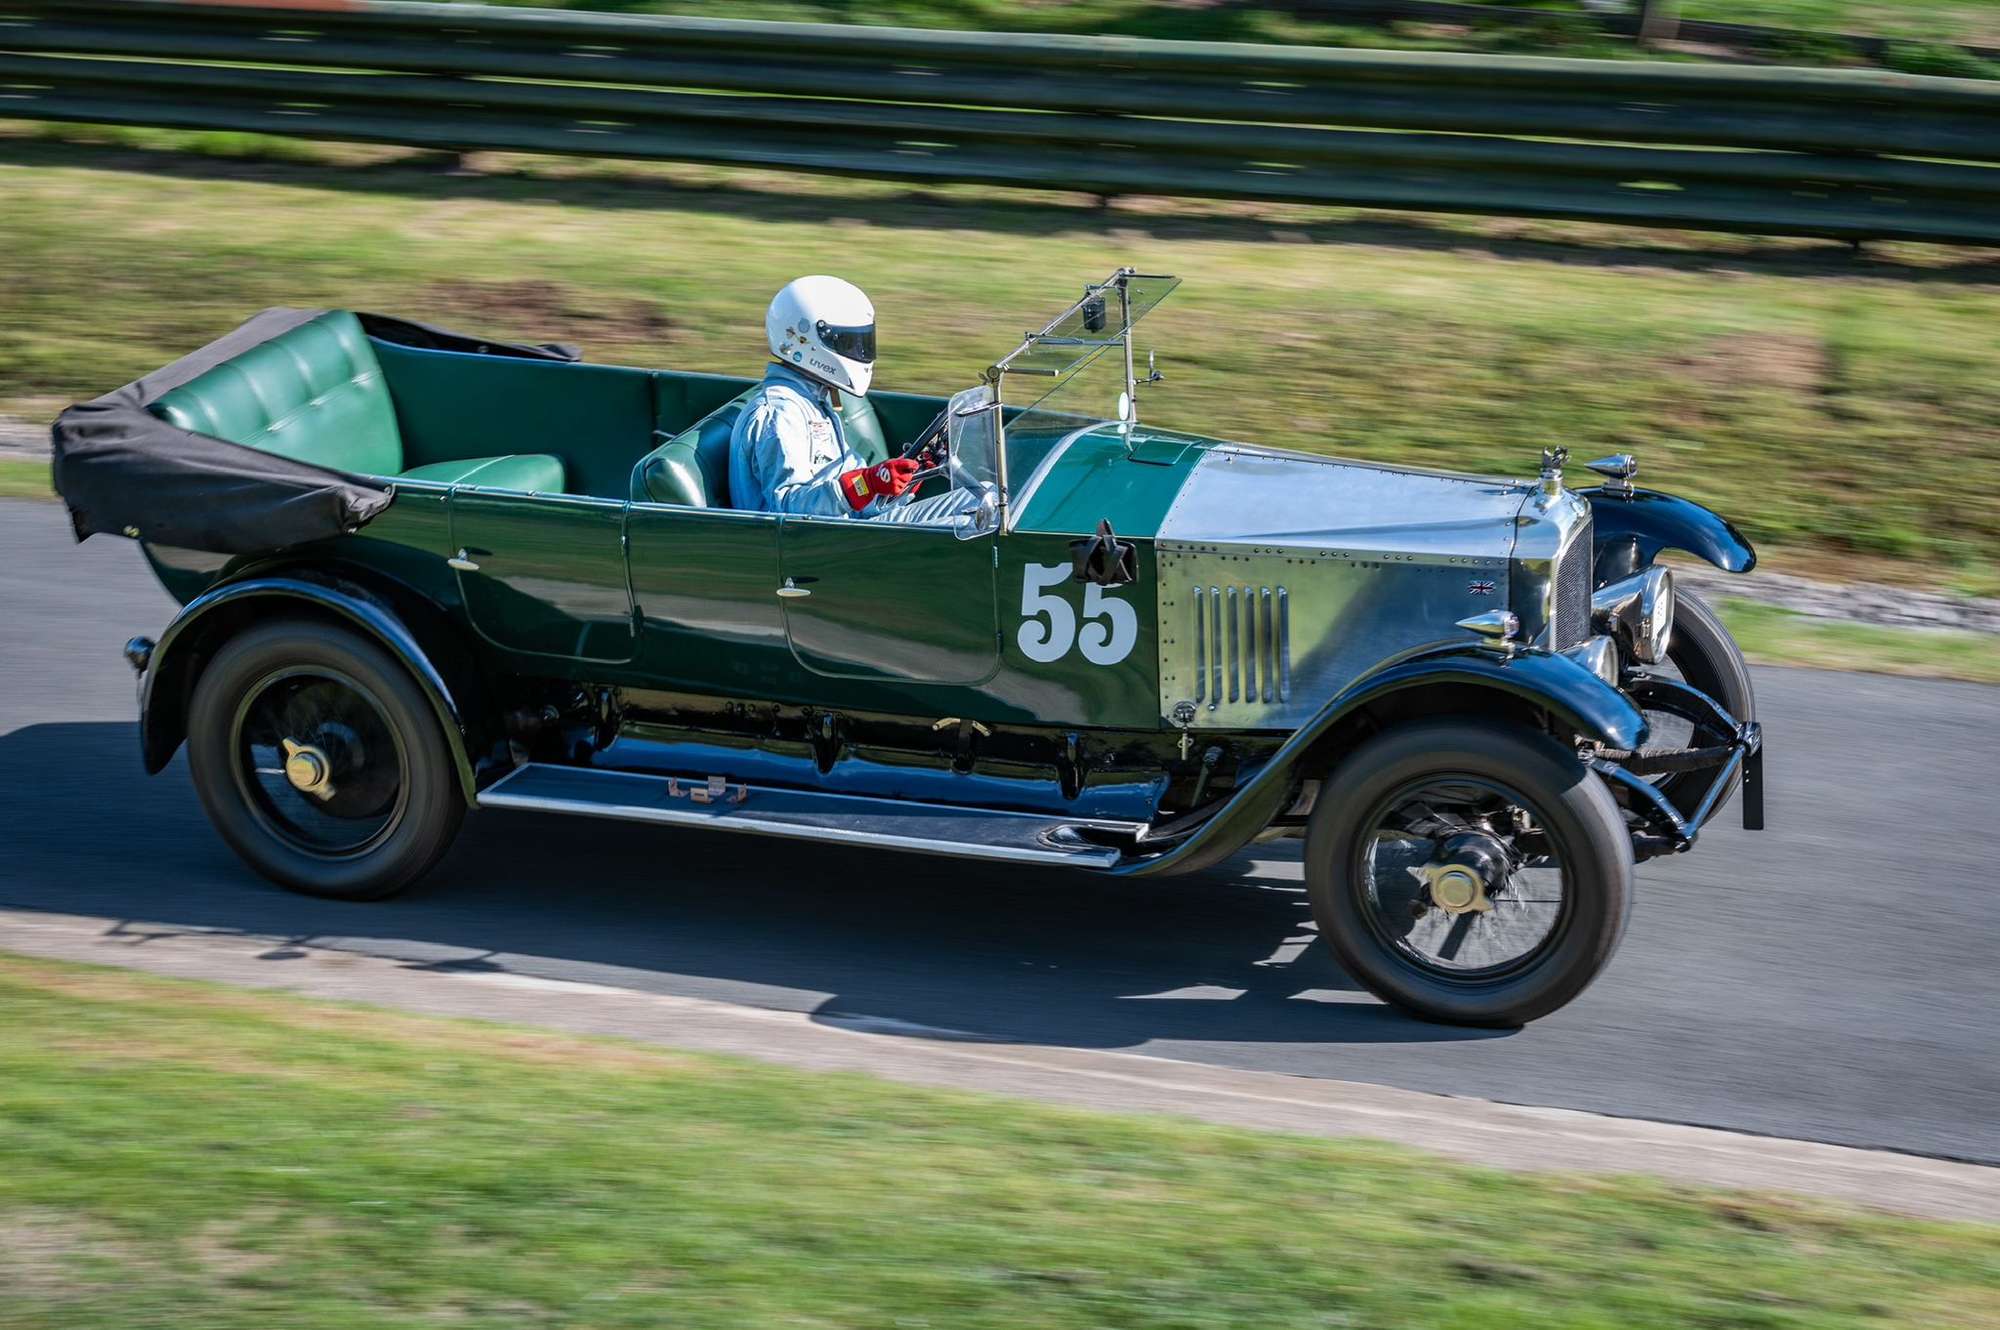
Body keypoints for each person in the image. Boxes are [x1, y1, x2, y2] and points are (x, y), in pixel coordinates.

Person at [729, 276, 982, 525]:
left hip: (848, 530)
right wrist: (866, 484)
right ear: (807, 341)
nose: (858, 351)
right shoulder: (781, 413)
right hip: (818, 544)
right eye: (848, 342)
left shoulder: (816, 402)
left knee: (984, 500)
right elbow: (787, 510)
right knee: (974, 523)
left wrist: (912, 474)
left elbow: (858, 499)